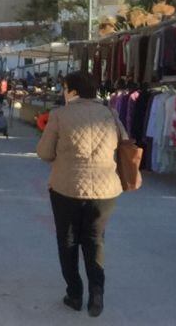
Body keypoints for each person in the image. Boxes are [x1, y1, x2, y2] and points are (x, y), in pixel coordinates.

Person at [36, 71, 126, 318]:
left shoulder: (59, 115)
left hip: (66, 188)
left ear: (73, 91)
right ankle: (97, 291)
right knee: (95, 239)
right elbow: (125, 142)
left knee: (68, 240)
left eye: (65, 88)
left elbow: (44, 153)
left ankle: (74, 294)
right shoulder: (110, 113)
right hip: (105, 190)